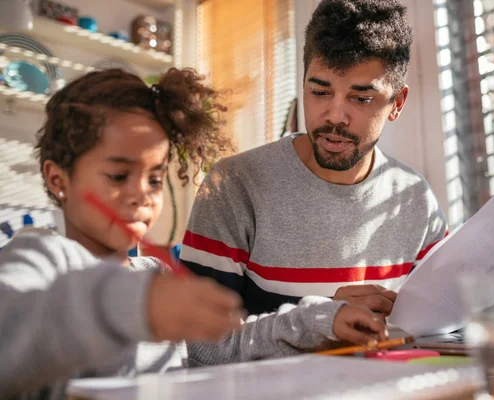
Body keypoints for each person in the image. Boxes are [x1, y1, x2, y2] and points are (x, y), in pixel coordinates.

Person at [0, 68, 387, 399]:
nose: (141, 195)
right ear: (58, 178)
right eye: (119, 176)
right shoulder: (41, 257)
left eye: (154, 178)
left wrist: (318, 322)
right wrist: (128, 304)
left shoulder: (154, 274)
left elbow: (224, 346)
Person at [180, 0, 448, 316]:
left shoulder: (414, 199)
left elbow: (440, 320)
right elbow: (195, 343)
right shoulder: (235, 186)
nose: (335, 117)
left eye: (361, 98)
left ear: (397, 103)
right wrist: (319, 322)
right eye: (319, 92)